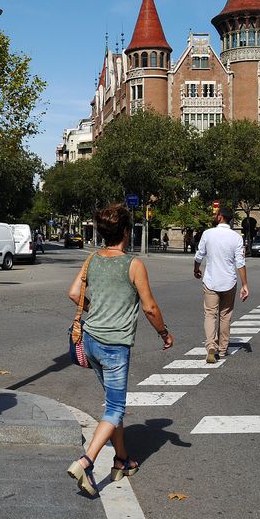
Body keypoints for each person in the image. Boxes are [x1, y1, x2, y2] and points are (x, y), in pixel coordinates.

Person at [65, 204, 173, 498]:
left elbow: (74, 294)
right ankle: (86, 462)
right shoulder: (133, 265)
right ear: (126, 231)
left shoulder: (92, 259)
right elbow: (150, 308)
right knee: (115, 408)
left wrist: (97, 310)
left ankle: (121, 460)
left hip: (90, 340)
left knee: (114, 404)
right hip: (114, 346)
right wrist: (164, 333)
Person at [193, 207, 249, 364]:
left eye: (216, 214)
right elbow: (240, 263)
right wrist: (245, 284)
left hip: (211, 281)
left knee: (210, 314)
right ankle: (223, 349)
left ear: (220, 217)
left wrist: (196, 269)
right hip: (229, 282)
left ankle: (211, 346)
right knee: (225, 316)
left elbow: (199, 255)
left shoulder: (207, 234)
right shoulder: (236, 238)